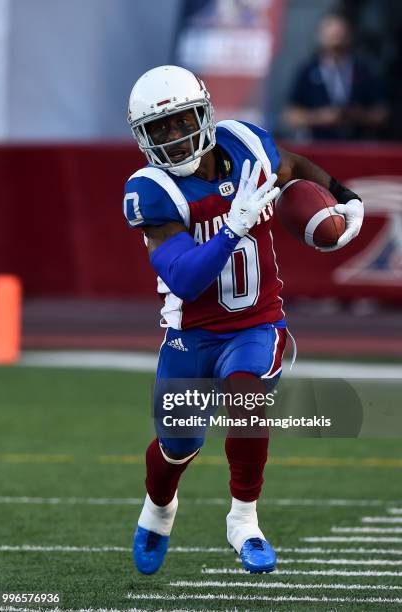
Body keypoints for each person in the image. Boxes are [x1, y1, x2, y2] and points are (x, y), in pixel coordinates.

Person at [124, 65, 364, 575]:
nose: (174, 136)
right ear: (143, 138)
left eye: (181, 120)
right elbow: (185, 278)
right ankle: (159, 509)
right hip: (191, 334)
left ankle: (244, 520)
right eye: (158, 129)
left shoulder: (244, 142)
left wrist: (344, 196)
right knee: (177, 447)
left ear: (204, 113)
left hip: (256, 321)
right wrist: (231, 228)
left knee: (246, 398)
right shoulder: (153, 189)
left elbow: (291, 165)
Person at [283, 12, 388, 140]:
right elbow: (290, 116)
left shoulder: (363, 71)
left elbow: (381, 114)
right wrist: (320, 117)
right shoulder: (307, 71)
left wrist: (358, 115)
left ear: (349, 35)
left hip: (357, 145)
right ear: (320, 36)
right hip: (317, 146)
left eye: (340, 34)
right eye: (331, 34)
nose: (336, 39)